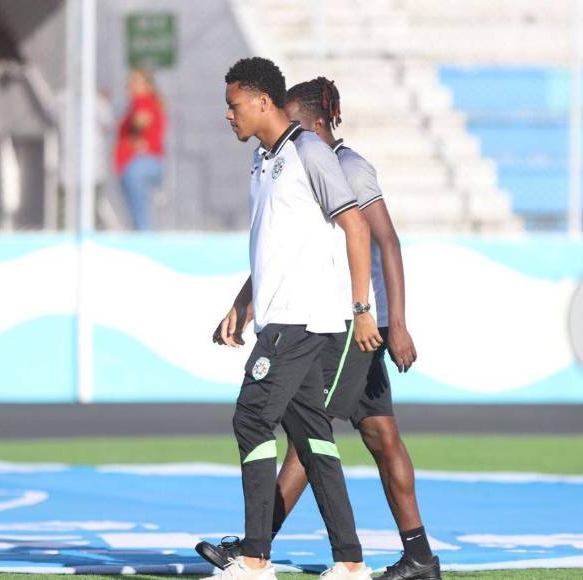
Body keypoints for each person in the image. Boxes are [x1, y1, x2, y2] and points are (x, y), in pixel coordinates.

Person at [196, 78, 441, 580]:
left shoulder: (343, 165)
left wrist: (393, 320)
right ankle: (417, 556)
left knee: (306, 429)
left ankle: (256, 546)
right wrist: (243, 301)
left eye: (293, 119)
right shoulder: (284, 164)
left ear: (312, 120)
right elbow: (281, 247)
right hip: (348, 317)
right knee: (377, 434)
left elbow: (385, 242)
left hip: (352, 323)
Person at [114, 68, 166, 230]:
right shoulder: (135, 104)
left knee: (139, 211)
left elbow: (142, 119)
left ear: (147, 85)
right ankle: (141, 230)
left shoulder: (142, 101)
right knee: (134, 209)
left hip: (141, 163)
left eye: (135, 81)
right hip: (131, 164)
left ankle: (144, 233)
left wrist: (137, 134)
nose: (130, 86)